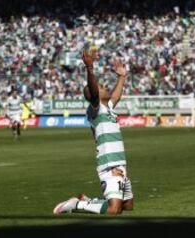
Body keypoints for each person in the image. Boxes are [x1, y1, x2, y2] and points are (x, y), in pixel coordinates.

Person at [53, 49, 134, 215]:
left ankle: (87, 201)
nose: (104, 87)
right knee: (114, 210)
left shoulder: (108, 108)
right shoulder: (95, 109)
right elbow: (93, 90)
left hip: (120, 163)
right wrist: (89, 69)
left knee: (127, 206)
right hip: (109, 165)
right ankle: (77, 205)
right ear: (94, 95)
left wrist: (122, 77)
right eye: (100, 87)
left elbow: (116, 96)